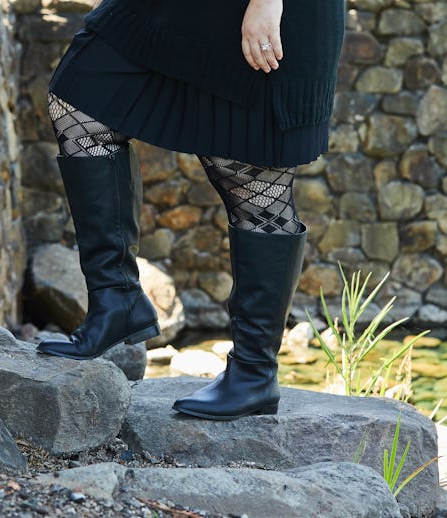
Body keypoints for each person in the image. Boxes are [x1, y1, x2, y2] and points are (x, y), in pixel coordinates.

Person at [37, 0, 346, 421]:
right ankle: (115, 300)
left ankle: (254, 372)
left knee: (255, 188)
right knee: (81, 98)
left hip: (266, 11)